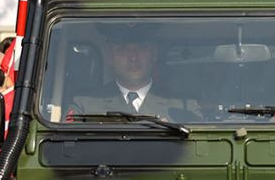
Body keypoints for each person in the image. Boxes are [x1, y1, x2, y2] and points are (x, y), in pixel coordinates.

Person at [69, 25, 197, 121]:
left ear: (154, 54)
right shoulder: (85, 104)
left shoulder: (184, 105)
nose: (133, 57)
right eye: (123, 49)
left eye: (142, 48)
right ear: (110, 56)